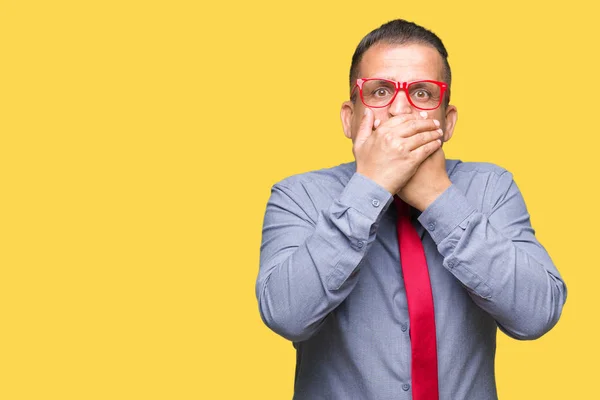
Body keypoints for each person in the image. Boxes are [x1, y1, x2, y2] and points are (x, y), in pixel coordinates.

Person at [255, 19, 567, 400]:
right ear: (349, 118)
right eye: (380, 91)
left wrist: (439, 197)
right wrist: (370, 187)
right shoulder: (299, 195)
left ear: (447, 122)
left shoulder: (490, 188)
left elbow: (535, 316)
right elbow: (286, 315)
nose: (399, 110)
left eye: (421, 92)